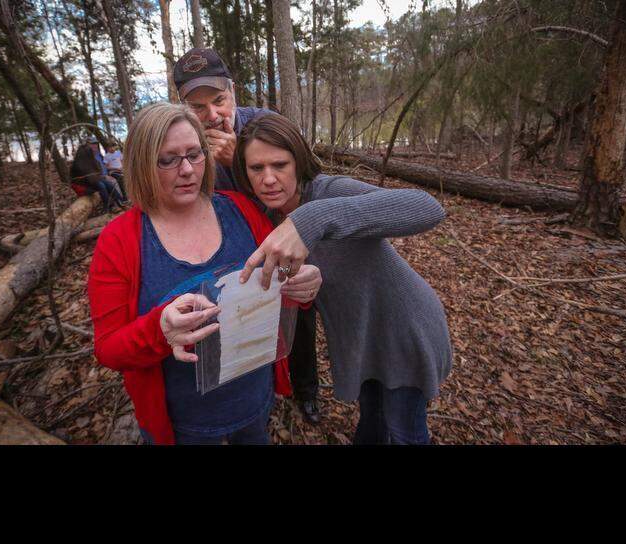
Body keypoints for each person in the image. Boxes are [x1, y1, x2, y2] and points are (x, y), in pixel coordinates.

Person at [87, 102, 322, 446]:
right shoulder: (119, 241)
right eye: (168, 159)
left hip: (254, 400)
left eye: (195, 154)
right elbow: (108, 349)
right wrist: (160, 330)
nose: (187, 170)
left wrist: (302, 288)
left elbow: (276, 291)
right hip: (185, 423)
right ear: (141, 163)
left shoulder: (241, 210)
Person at [234, 113, 452, 445]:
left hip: (404, 329)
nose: (268, 179)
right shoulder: (266, 216)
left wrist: (312, 218)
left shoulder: (328, 191)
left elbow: (426, 207)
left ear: (298, 161)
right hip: (361, 337)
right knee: (372, 421)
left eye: (280, 165)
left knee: (404, 430)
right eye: (256, 168)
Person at [173, 46, 323, 423]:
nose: (212, 115)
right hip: (231, 252)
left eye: (219, 101)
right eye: (198, 107)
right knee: (241, 317)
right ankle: (256, 386)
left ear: (233, 92)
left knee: (299, 316)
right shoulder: (185, 146)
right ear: (182, 107)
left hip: (282, 239)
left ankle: (306, 390)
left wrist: (237, 160)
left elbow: (293, 190)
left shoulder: (262, 123)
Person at [70, 138, 123, 209]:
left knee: (108, 184)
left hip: (94, 178)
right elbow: (86, 175)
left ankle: (120, 201)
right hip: (84, 183)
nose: (94, 146)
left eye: (95, 144)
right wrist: (100, 177)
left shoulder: (94, 156)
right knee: (102, 186)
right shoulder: (81, 157)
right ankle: (108, 206)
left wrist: (102, 176)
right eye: (92, 144)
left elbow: (98, 169)